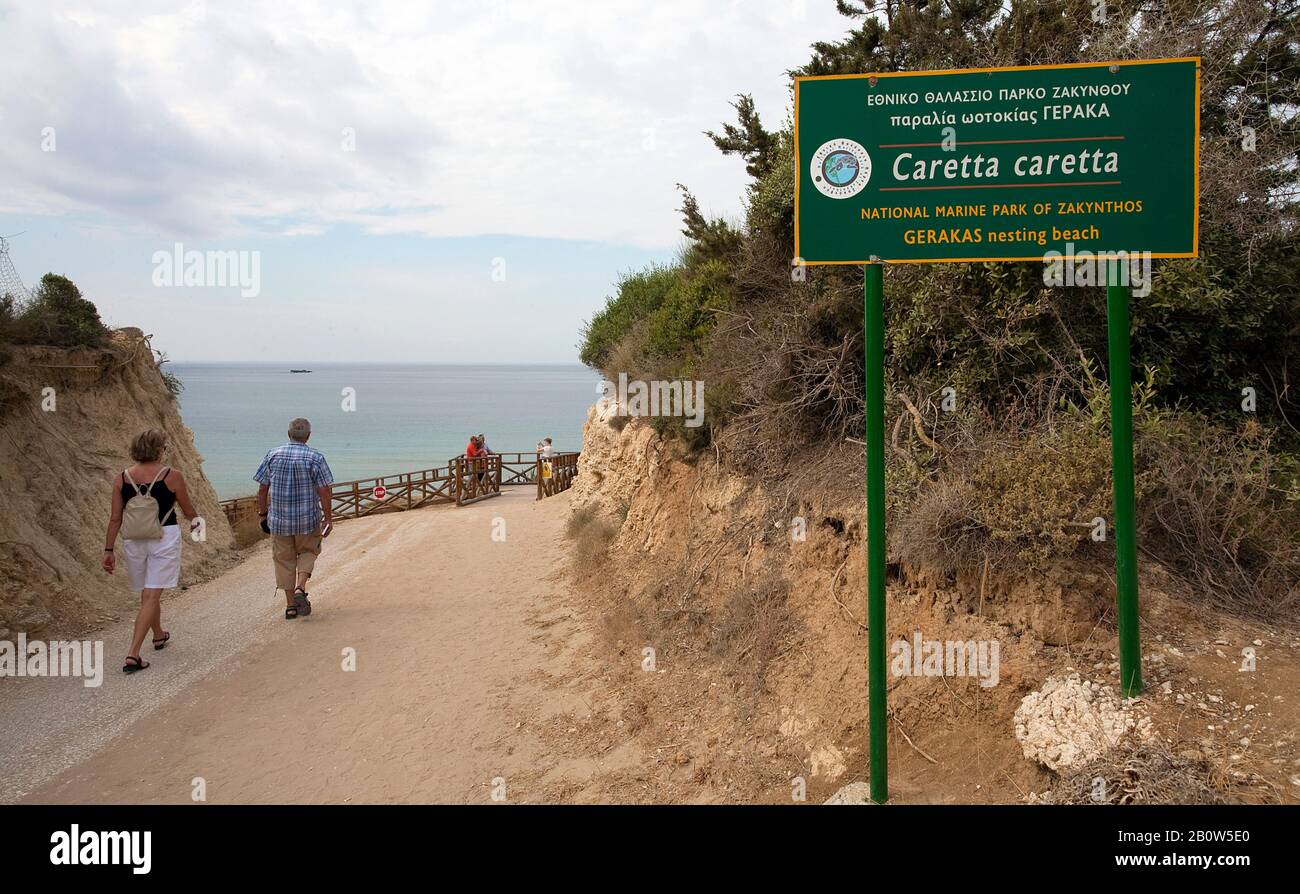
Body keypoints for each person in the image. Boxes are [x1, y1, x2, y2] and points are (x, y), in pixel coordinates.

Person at [102, 429, 201, 674]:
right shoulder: (171, 476)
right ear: (159, 450)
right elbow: (188, 510)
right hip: (164, 537)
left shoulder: (122, 478)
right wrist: (198, 526)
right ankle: (133, 654)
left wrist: (108, 549)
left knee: (148, 592)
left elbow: (115, 518)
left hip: (134, 539)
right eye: (164, 448)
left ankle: (158, 634)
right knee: (151, 595)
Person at [254, 418, 334, 619]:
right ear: (308, 436)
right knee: (309, 551)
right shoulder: (316, 458)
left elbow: (262, 488)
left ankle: (290, 606)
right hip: (307, 521)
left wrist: (263, 514)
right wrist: (328, 518)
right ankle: (300, 587)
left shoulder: (273, 455)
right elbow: (324, 490)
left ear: (289, 434)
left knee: (284, 561)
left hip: (279, 521)